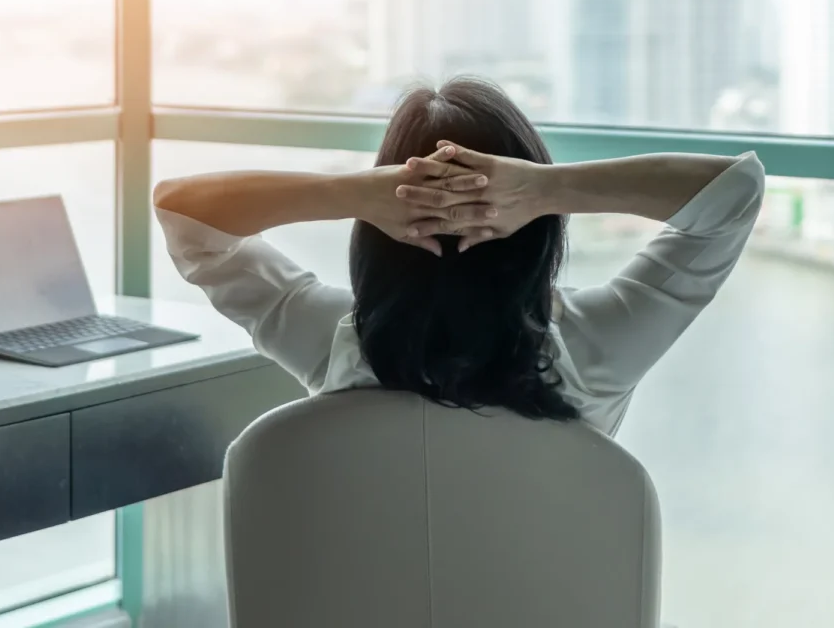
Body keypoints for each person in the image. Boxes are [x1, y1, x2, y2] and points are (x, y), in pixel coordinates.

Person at [153, 78, 765, 435]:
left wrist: (352, 194)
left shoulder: (331, 341)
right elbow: (733, 193)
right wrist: (547, 189)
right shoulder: (600, 345)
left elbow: (187, 215)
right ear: (535, 228)